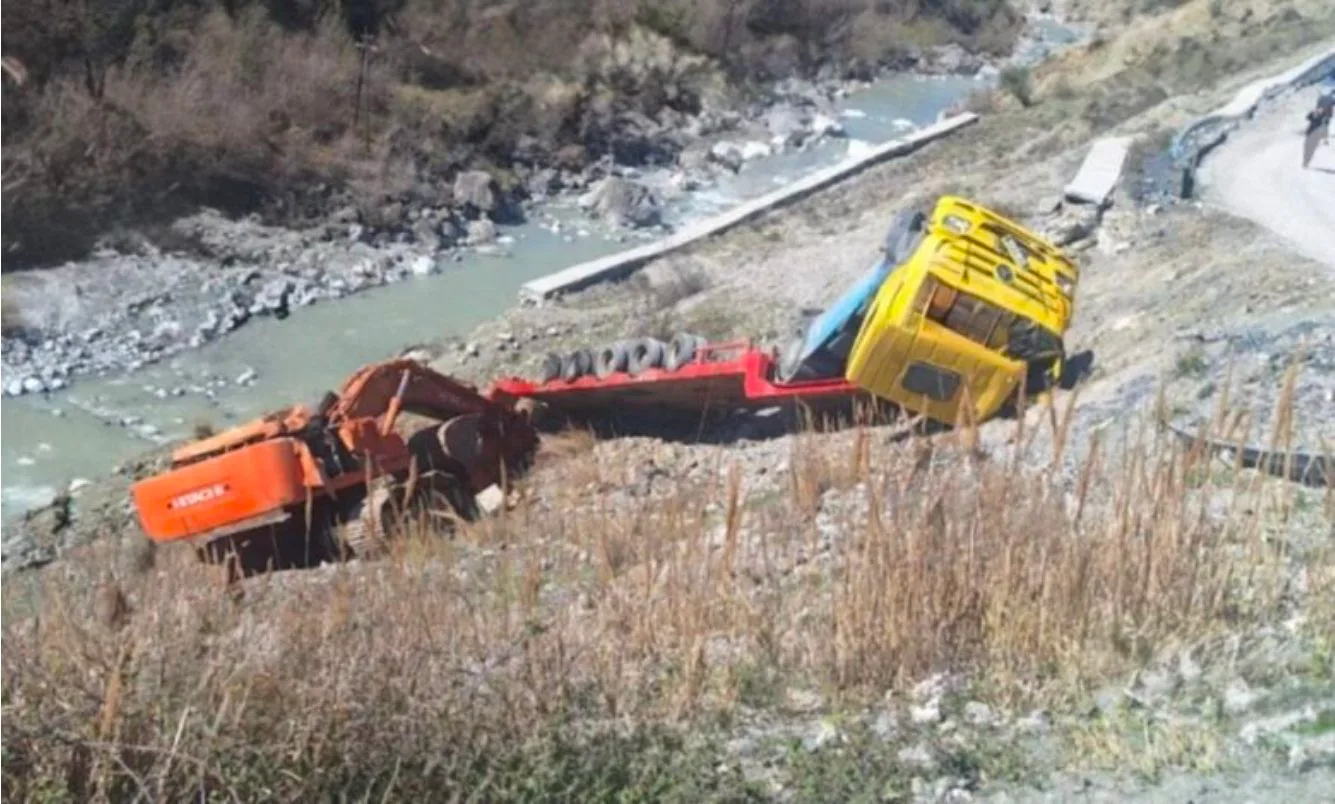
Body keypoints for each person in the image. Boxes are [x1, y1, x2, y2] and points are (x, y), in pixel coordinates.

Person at [1302, 95, 1331, 169]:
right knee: (1307, 148)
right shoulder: (1314, 113)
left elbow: (1325, 128)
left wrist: (1325, 139)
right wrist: (1313, 113)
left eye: (1321, 109)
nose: (1320, 110)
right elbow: (1307, 117)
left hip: (1316, 135)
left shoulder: (1325, 117)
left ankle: (1306, 162)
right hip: (1309, 133)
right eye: (1319, 108)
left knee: (1311, 149)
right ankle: (1305, 161)